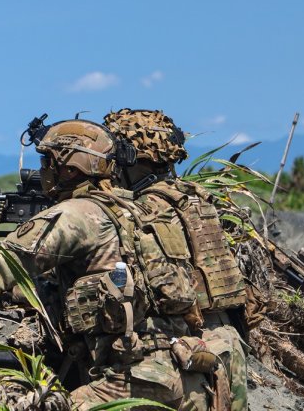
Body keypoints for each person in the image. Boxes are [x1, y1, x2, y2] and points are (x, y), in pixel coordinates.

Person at [0, 118, 215, 410]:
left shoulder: (75, 215)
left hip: (129, 382)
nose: (41, 170)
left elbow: (1, 264)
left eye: (47, 161)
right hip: (180, 373)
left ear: (69, 167)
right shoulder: (132, 208)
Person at [104, 108, 249, 411]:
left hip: (191, 346)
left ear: (127, 157)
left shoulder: (147, 209)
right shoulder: (192, 196)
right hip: (226, 338)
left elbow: (166, 294)